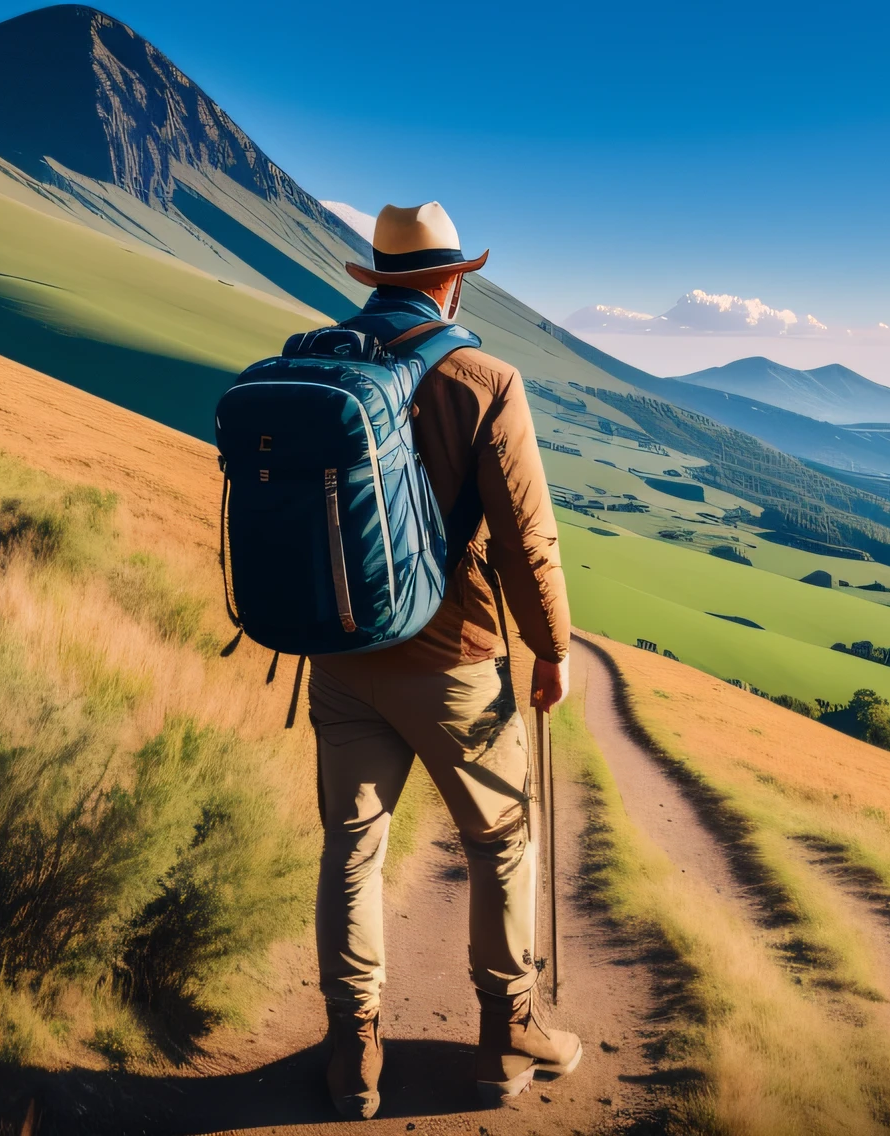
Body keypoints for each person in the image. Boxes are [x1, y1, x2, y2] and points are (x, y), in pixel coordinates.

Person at [308, 202, 577, 1118]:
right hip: (455, 657)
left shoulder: (322, 360)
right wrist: (552, 651)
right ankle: (508, 1039)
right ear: (455, 277)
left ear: (379, 277)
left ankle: (354, 1059)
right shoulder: (483, 377)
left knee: (352, 852)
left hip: (340, 656)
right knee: (501, 842)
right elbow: (526, 542)